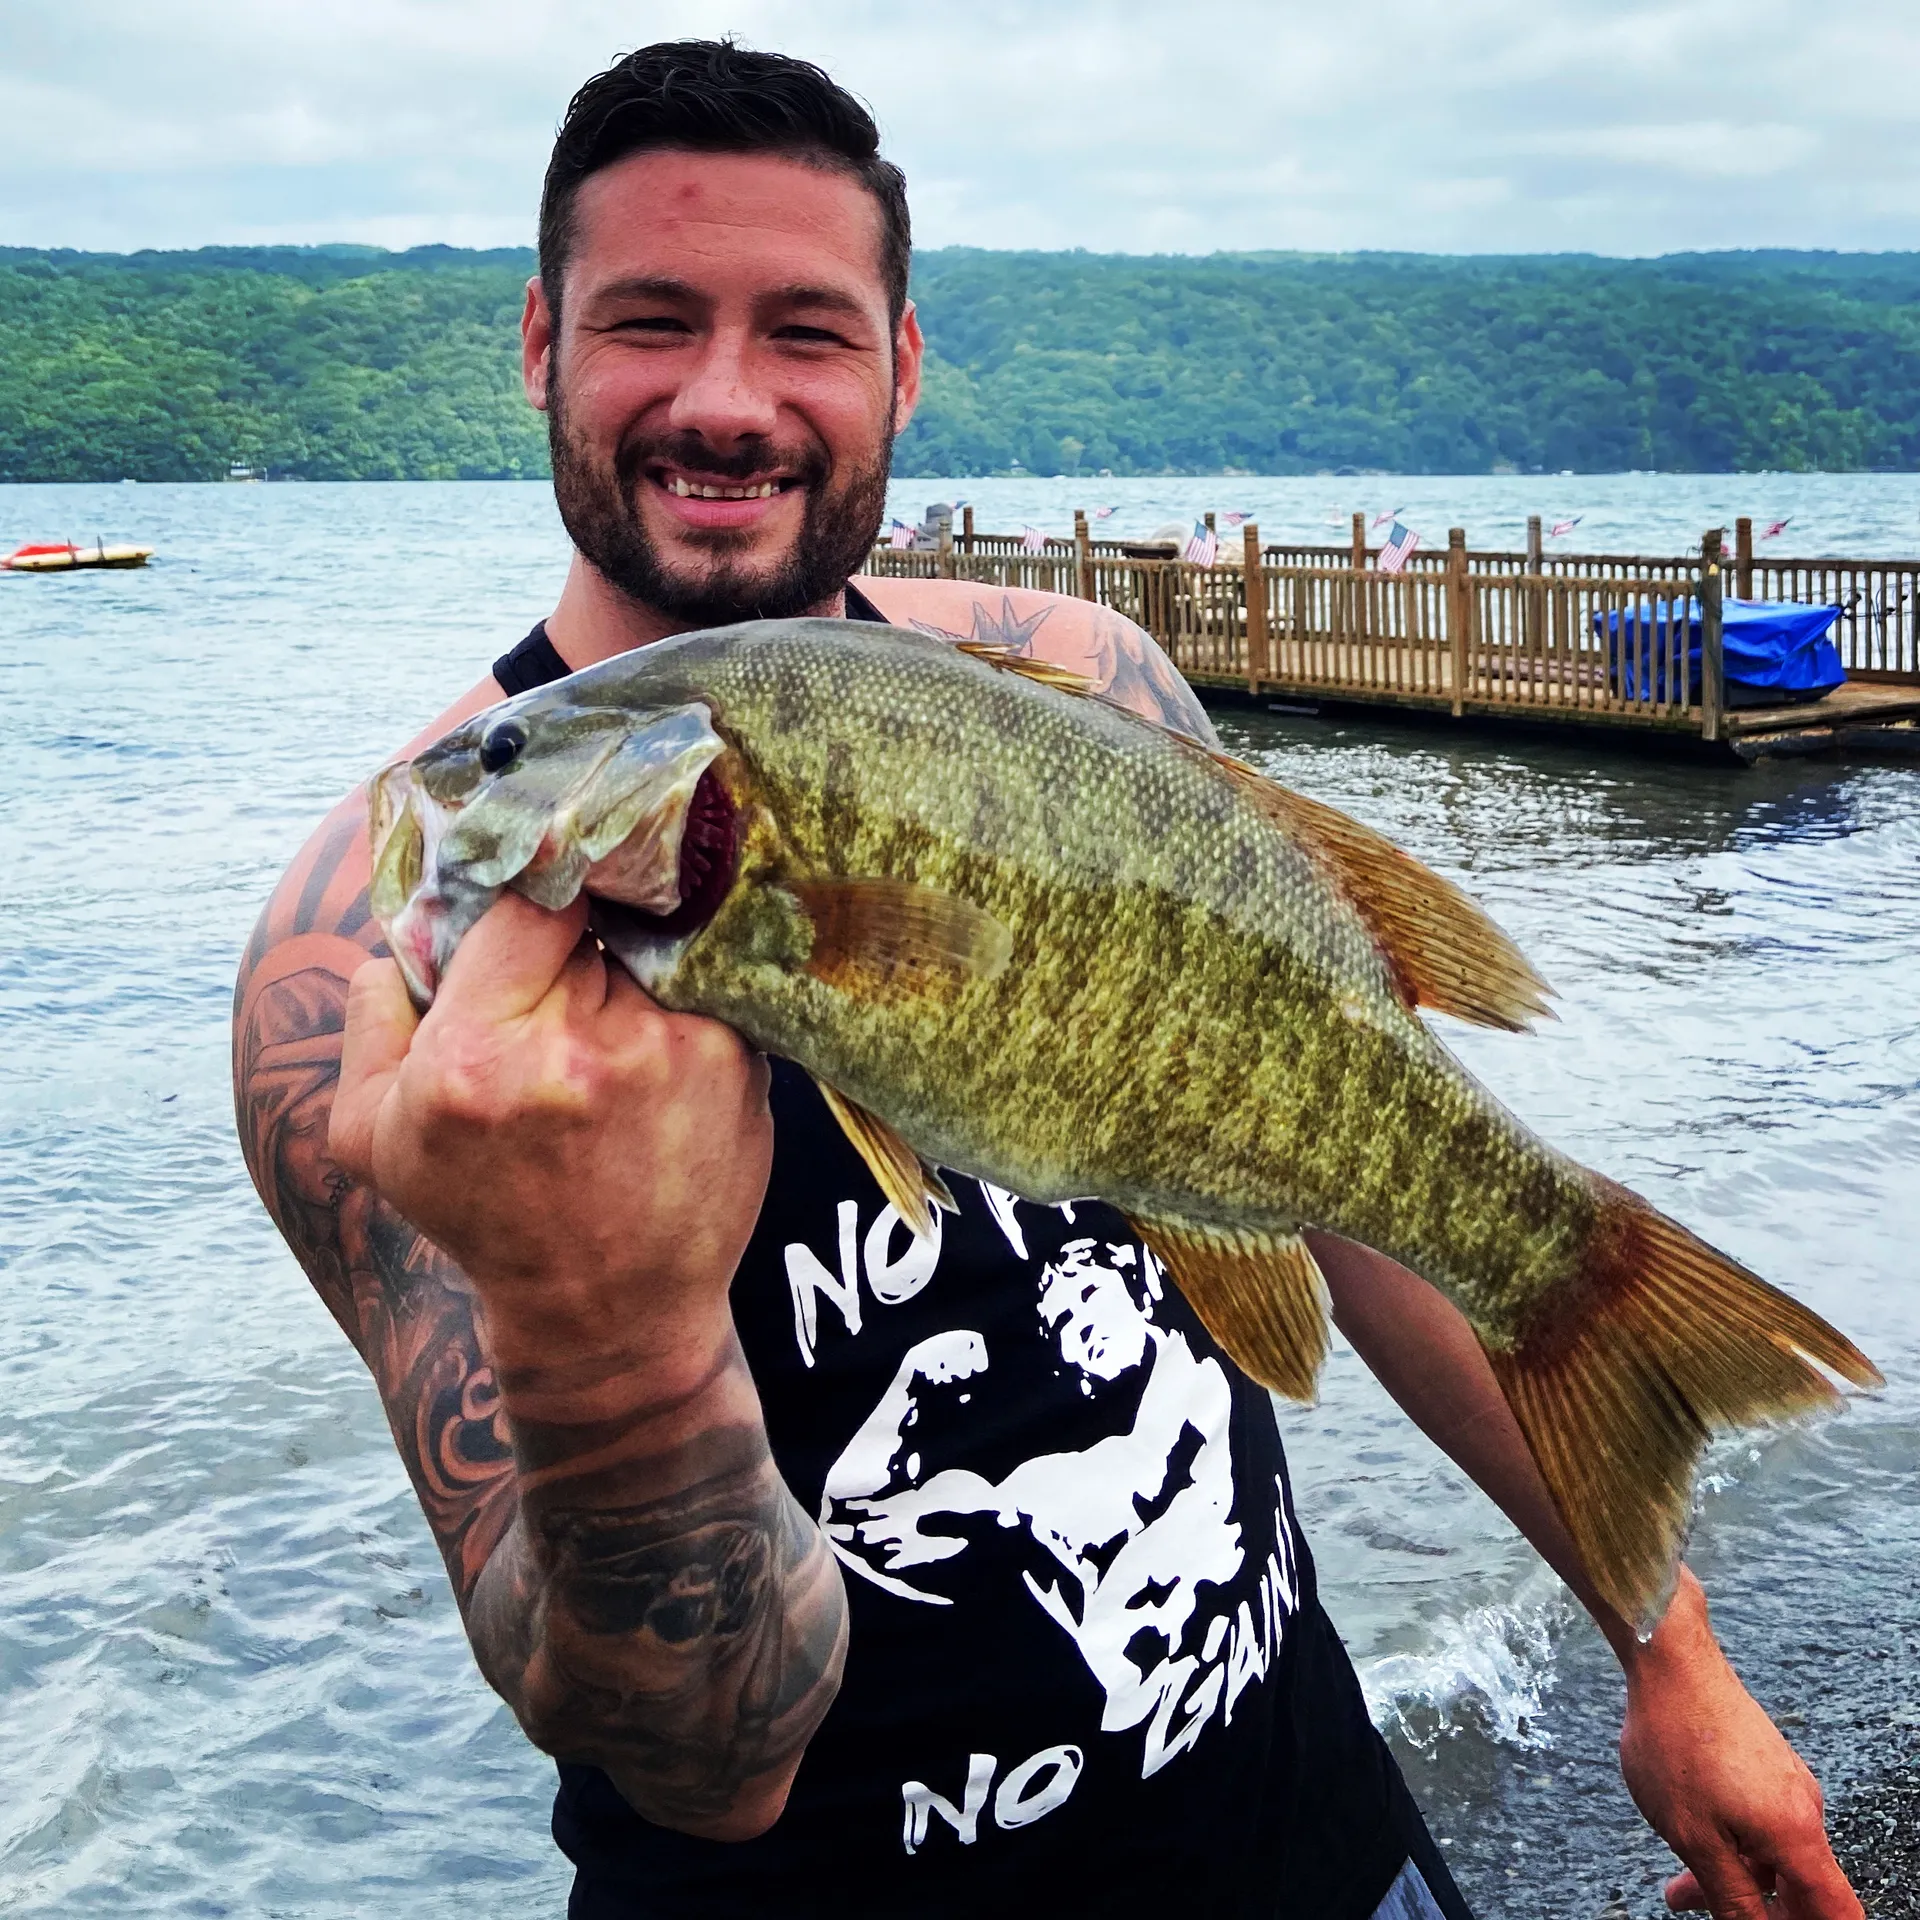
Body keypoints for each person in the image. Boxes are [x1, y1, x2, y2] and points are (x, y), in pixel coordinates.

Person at [231, 39, 1862, 1920]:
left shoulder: (1085, 680)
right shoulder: (358, 976)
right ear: (541, 346)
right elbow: (678, 1750)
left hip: (1312, 1833)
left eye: (811, 332)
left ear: (903, 366)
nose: (729, 399)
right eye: (650, 322)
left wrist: (1669, 1651)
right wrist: (600, 1339)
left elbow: (1371, 1175)